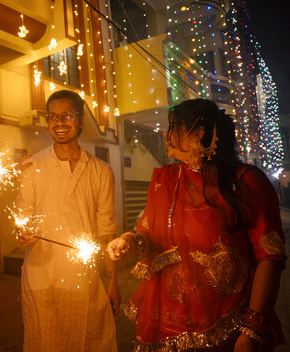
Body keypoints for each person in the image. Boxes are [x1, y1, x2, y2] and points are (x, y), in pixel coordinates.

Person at [107, 99, 286, 352]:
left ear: (198, 133)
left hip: (229, 326)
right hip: (166, 324)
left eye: (173, 127)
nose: (166, 134)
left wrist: (252, 330)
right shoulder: (165, 179)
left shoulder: (245, 181)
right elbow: (147, 233)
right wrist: (129, 241)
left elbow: (269, 256)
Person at [17, 90, 120, 352]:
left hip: (84, 281)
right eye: (53, 117)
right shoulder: (31, 166)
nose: (59, 122)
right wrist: (23, 234)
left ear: (81, 120)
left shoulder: (101, 171)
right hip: (42, 279)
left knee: (92, 341)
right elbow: (22, 218)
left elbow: (107, 231)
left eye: (67, 116)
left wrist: (112, 282)